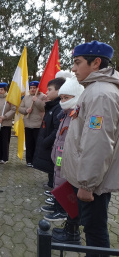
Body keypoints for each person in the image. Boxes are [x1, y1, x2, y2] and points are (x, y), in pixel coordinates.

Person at [53, 41, 119, 251]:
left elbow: (98, 142)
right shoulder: (95, 90)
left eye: (77, 62)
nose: (73, 68)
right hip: (90, 180)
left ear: (96, 63)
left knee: (95, 233)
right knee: (92, 229)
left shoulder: (101, 94)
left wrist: (87, 185)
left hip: (93, 185)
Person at [41, 77, 84, 223]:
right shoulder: (65, 114)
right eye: (62, 98)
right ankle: (58, 207)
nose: (63, 101)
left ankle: (63, 212)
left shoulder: (76, 115)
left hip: (67, 160)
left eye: (67, 98)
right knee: (58, 182)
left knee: (64, 185)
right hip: (59, 157)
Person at [33, 77, 65, 189]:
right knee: (50, 166)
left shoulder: (59, 107)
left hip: (52, 144)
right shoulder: (53, 106)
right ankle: (51, 183)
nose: (46, 92)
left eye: (49, 89)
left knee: (54, 165)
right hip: (49, 143)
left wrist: (46, 141)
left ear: (59, 90)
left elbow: (58, 129)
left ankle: (54, 187)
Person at [18, 81, 46, 167]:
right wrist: (26, 111)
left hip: (38, 124)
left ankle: (36, 161)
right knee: (29, 144)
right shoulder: (26, 98)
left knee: (37, 144)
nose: (32, 89)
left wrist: (36, 100)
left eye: (34, 88)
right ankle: (29, 160)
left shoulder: (43, 97)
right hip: (28, 124)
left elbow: (44, 107)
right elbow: (20, 108)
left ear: (38, 88)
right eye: (31, 88)